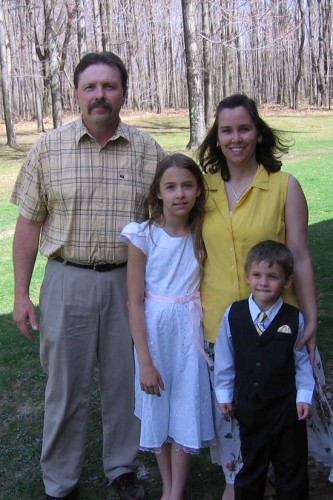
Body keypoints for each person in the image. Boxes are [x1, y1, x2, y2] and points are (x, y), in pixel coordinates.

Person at [10, 52, 166, 500]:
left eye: (110, 86)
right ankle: (60, 481)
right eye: (91, 87)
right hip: (66, 280)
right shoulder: (48, 148)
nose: (101, 95)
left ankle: (123, 467)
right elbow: (28, 226)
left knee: (124, 380)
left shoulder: (148, 152)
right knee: (65, 386)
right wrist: (21, 294)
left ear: (123, 92)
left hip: (127, 284)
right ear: (76, 93)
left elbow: (168, 218)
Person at [197, 93, 318, 499]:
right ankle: (238, 482)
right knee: (234, 410)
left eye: (244, 128)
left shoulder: (285, 187)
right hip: (222, 326)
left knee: (285, 415)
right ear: (217, 138)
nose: (236, 138)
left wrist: (311, 319)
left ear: (258, 133)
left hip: (280, 328)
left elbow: (299, 256)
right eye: (226, 130)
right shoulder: (203, 189)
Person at [119, 154, 215, 500]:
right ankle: (167, 487)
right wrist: (144, 360)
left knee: (185, 405)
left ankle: (176, 491)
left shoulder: (203, 230)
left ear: (198, 191)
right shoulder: (143, 235)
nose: (179, 194)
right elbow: (135, 301)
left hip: (189, 332)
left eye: (188, 185)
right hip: (155, 333)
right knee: (158, 405)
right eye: (170, 187)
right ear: (157, 192)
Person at [214, 240, 315, 500]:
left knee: (291, 469)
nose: (263, 282)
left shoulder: (295, 318)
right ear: (248, 277)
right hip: (250, 408)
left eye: (273, 276)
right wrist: (224, 394)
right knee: (251, 467)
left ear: (288, 281)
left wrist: (304, 396)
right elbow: (225, 358)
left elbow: (302, 362)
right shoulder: (233, 315)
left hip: (286, 411)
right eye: (257, 275)